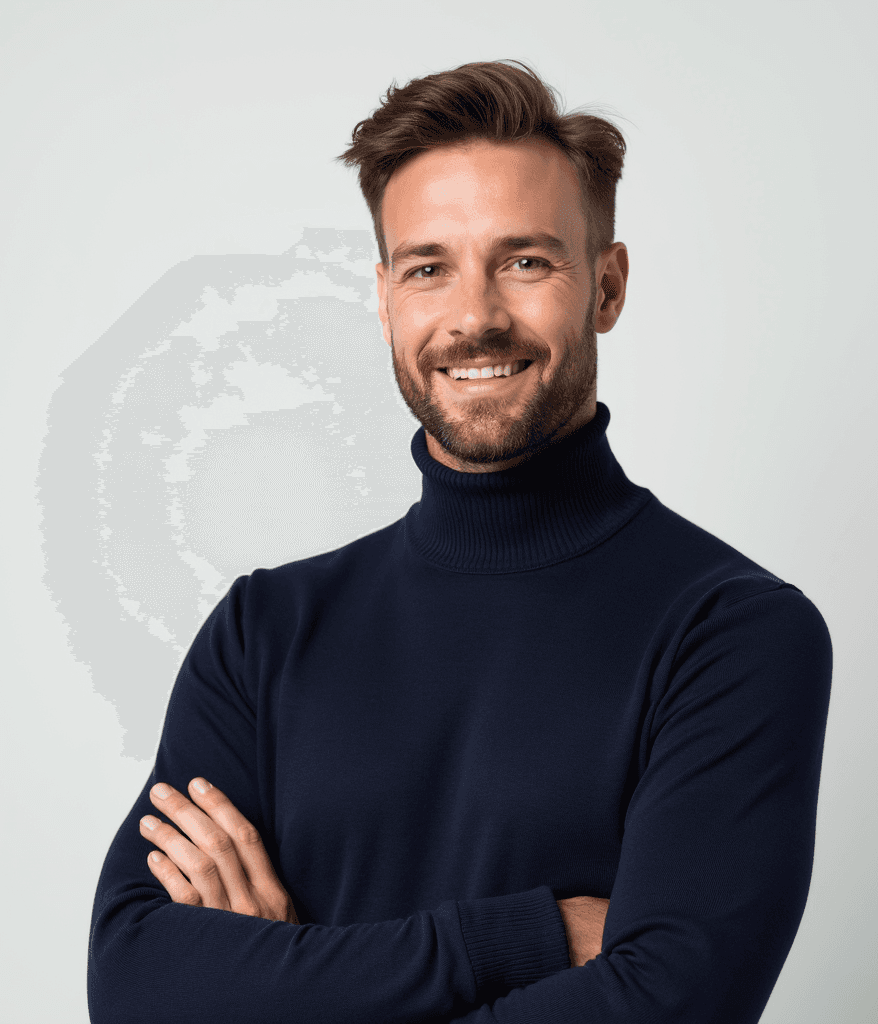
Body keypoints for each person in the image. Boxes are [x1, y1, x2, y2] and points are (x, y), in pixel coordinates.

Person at [87, 60, 832, 1023]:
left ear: (606, 288)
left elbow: (667, 1004)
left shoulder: (731, 633)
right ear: (386, 298)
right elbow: (135, 984)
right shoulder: (264, 631)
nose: (474, 317)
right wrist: (527, 937)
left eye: (525, 262)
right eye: (428, 268)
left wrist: (280, 982)